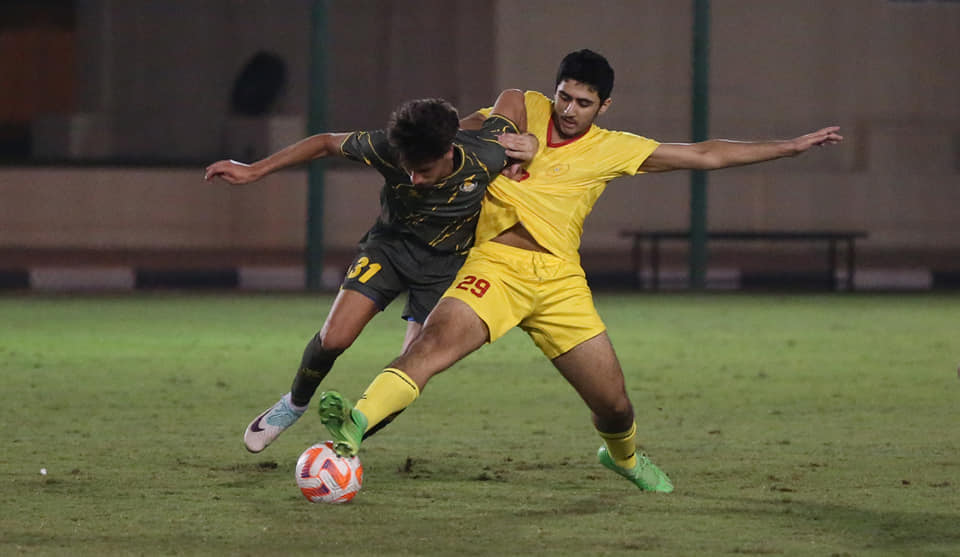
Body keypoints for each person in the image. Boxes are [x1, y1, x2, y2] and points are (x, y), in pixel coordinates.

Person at [316, 49, 844, 493]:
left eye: (583, 103)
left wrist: (790, 147)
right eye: (564, 96)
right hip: (494, 267)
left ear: (604, 106)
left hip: (560, 283)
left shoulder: (613, 148)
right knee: (429, 348)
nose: (569, 110)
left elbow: (706, 154)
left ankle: (624, 457)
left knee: (614, 406)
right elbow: (453, 134)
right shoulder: (524, 109)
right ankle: (354, 427)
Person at [204, 90, 533, 453]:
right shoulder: (387, 147)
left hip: (445, 268)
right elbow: (325, 143)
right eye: (408, 168)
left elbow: (514, 98)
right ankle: (294, 404)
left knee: (410, 369)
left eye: (423, 171)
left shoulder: (486, 154)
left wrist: (527, 143)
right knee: (334, 338)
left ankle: (342, 445)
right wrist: (254, 170)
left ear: (447, 152)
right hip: (389, 249)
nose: (414, 179)